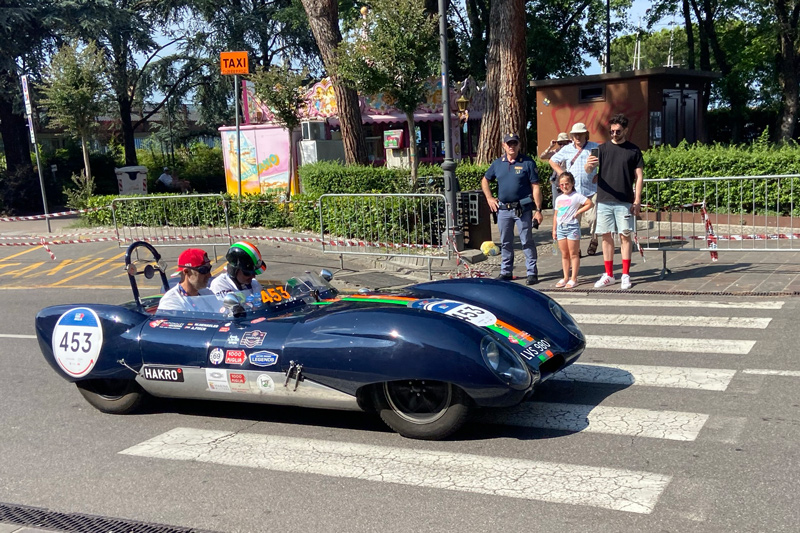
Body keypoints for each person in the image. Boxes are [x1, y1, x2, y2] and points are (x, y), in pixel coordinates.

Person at [585, 113, 644, 290]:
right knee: (606, 236)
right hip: (604, 199)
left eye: (618, 131)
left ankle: (625, 274)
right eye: (611, 131)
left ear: (625, 130)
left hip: (625, 200)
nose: (614, 134)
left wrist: (637, 199)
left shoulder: (633, 150)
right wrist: (589, 165)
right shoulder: (602, 149)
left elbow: (639, 176)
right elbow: (589, 169)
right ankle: (609, 274)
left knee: (625, 236)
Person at [481, 133, 544, 285]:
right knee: (506, 242)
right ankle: (506, 271)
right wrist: (489, 198)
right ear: (503, 146)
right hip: (503, 210)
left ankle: (531, 273)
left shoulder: (527, 162)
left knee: (526, 241)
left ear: (518, 145)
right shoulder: (497, 164)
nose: (511, 146)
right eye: (508, 143)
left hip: (522, 209)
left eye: (514, 143)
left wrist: (538, 210)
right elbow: (485, 180)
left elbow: (535, 186)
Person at [549, 122, 600, 256]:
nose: (578, 136)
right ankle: (576, 248)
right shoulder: (567, 149)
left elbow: (607, 162)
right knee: (573, 221)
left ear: (585, 135)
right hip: (574, 192)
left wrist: (600, 174)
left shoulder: (595, 147)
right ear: (572, 136)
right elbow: (552, 161)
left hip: (591, 189)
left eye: (580, 134)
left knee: (594, 218)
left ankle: (594, 239)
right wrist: (561, 173)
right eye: (575, 134)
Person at [551, 172, 593, 289]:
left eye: (567, 184)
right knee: (564, 254)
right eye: (562, 184)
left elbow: (589, 203)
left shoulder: (576, 196)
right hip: (561, 228)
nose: (565, 186)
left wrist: (578, 212)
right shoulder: (559, 198)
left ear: (572, 183)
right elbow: (556, 214)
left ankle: (573, 278)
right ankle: (565, 277)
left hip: (572, 227)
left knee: (573, 254)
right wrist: (554, 229)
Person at [539, 132, 571, 206]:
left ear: (568, 142)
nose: (562, 145)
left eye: (564, 143)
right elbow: (542, 156)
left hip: (568, 180)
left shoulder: (571, 152)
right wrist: (550, 146)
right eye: (560, 143)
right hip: (556, 181)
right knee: (556, 204)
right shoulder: (556, 152)